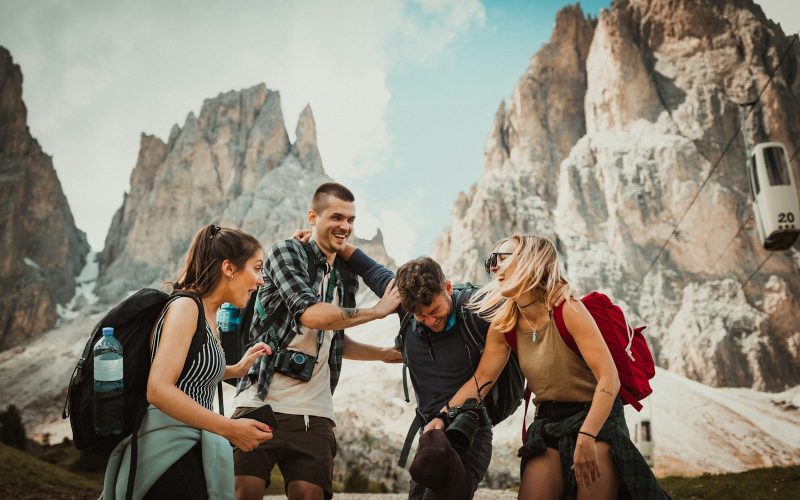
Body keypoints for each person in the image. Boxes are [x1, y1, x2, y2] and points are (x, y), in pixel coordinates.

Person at [446, 233, 670, 499]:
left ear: (531, 260)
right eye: (490, 261)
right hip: (548, 422)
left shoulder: (568, 310)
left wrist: (587, 436)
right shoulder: (504, 324)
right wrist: (441, 416)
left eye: (501, 258)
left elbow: (609, 378)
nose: (493, 267)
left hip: (595, 418)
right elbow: (482, 378)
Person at [232, 182, 402, 500]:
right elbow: (310, 314)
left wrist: (382, 354)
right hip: (260, 402)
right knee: (244, 494)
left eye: (351, 220)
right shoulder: (286, 252)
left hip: (315, 412)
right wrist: (376, 312)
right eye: (336, 217)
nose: (345, 226)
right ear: (313, 216)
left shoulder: (345, 276)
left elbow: (334, 337)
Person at [102, 224, 275, 499]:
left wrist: (235, 368)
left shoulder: (208, 314)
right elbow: (158, 390)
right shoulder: (185, 307)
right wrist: (231, 429)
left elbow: (189, 373)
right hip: (167, 451)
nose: (261, 280)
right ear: (229, 268)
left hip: (190, 444)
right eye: (256, 268)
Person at [339, 248, 507, 500]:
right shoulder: (404, 302)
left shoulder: (477, 308)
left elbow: (484, 375)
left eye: (435, 311)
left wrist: (442, 416)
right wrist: (328, 239)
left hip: (469, 431)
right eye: (420, 316)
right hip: (431, 434)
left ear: (448, 287)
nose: (430, 321)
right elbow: (368, 268)